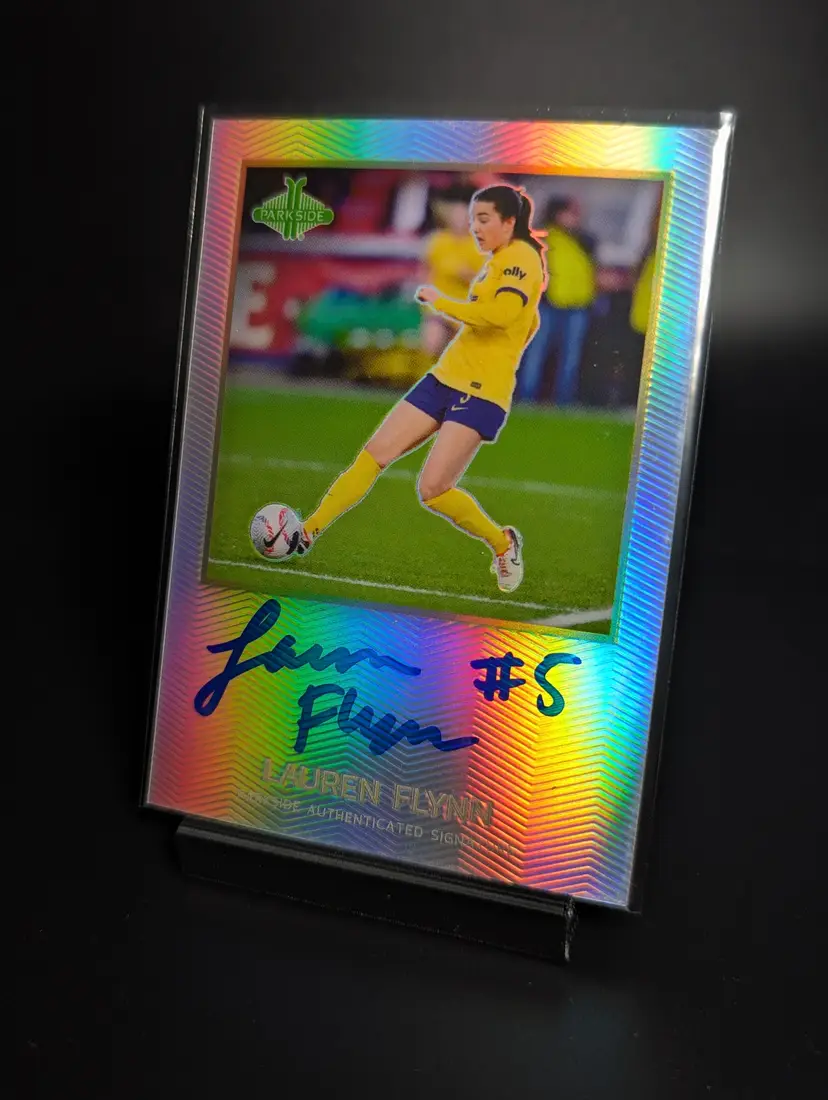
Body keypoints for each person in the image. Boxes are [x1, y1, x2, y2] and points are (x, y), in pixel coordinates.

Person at [284, 184, 547, 593]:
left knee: (433, 490)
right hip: (445, 376)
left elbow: (501, 314)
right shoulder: (498, 260)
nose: (475, 228)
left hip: (482, 390)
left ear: (509, 222)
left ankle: (503, 543)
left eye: (483, 219)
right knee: (374, 454)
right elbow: (522, 322)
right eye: (473, 219)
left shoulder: (521, 259)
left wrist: (442, 303)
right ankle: (307, 531)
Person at [515, 197, 596, 405]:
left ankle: (563, 400)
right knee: (538, 353)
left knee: (570, 357)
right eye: (571, 213)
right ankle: (527, 396)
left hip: (577, 305)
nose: (576, 218)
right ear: (558, 214)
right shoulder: (544, 237)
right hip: (548, 304)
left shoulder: (582, 241)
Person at [420, 183, 486, 360]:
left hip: (465, 310)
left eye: (464, 215)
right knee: (432, 343)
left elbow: (483, 279)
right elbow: (427, 270)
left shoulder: (478, 245)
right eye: (456, 214)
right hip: (439, 306)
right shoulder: (437, 241)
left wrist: (467, 274)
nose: (459, 219)